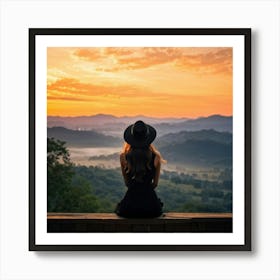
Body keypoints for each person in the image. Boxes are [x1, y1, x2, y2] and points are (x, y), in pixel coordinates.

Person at [115, 120, 164, 218]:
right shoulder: (156, 157)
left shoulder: (123, 157)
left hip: (130, 206)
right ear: (148, 138)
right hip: (151, 206)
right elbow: (155, 184)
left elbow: (127, 183)